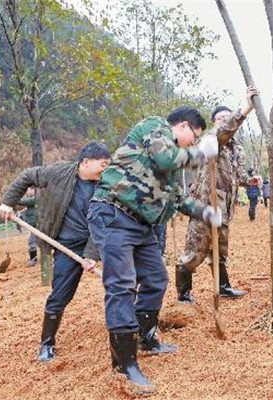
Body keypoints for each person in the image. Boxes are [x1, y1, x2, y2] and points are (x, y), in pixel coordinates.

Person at [87, 105, 225, 393]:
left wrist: (206, 212)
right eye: (195, 137)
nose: (195, 143)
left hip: (142, 225)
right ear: (184, 126)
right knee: (122, 285)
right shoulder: (154, 127)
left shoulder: (174, 167)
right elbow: (165, 158)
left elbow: (180, 200)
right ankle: (124, 363)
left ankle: (146, 338)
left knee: (155, 279)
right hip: (114, 213)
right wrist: (201, 153)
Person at [0, 142, 110, 363]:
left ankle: (135, 330)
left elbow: (103, 225)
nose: (106, 169)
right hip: (64, 246)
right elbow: (26, 176)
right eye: (103, 164)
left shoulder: (107, 186)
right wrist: (8, 203)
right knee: (59, 296)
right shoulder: (59, 172)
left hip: (98, 241)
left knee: (119, 284)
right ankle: (46, 343)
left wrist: (92, 255)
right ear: (85, 162)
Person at [175, 91, 257, 305]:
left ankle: (223, 287)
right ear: (214, 123)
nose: (225, 121)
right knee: (194, 251)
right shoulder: (211, 139)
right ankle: (183, 293)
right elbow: (224, 131)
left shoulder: (236, 148)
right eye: (220, 118)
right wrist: (244, 110)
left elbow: (236, 176)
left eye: (227, 117)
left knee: (220, 250)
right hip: (205, 204)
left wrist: (249, 181)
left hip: (225, 207)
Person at [17, 187, 38, 266]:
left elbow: (22, 202)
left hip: (36, 223)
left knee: (32, 242)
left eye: (27, 190)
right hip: (34, 223)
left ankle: (33, 259)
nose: (26, 192)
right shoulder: (34, 198)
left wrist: (11, 199)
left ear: (33, 190)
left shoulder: (35, 198)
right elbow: (29, 207)